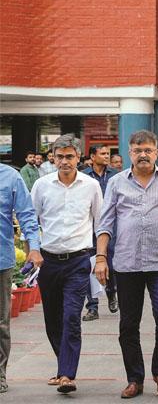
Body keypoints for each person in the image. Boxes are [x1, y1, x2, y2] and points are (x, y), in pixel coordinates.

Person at [94, 130, 158, 399]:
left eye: (148, 150)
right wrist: (101, 258)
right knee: (128, 323)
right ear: (130, 153)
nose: (143, 155)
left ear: (156, 153)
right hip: (126, 263)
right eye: (138, 151)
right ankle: (134, 378)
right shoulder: (116, 183)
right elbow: (105, 223)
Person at [31, 134, 103, 394]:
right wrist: (33, 249)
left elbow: (100, 222)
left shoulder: (91, 186)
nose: (64, 161)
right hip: (48, 262)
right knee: (53, 319)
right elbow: (32, 220)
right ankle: (63, 366)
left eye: (69, 156)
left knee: (72, 316)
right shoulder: (41, 185)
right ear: (53, 157)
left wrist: (102, 258)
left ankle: (67, 374)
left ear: (78, 158)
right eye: (59, 156)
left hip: (78, 260)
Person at [0, 164, 42, 393]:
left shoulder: (10, 177)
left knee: (0, 323)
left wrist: (33, 248)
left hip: (1, 261)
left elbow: (26, 215)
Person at [81, 145, 119, 321]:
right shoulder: (83, 177)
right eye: (102, 154)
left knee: (109, 264)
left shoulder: (114, 176)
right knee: (90, 266)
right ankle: (92, 306)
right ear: (92, 156)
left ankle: (111, 292)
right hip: (88, 228)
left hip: (110, 228)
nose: (106, 156)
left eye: (107, 154)